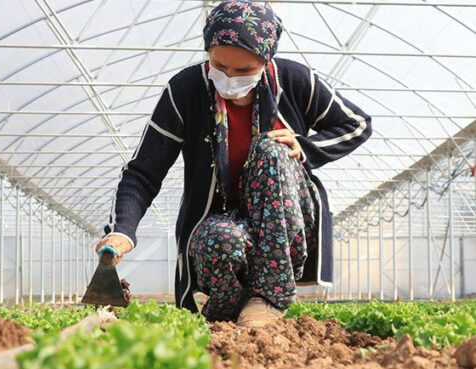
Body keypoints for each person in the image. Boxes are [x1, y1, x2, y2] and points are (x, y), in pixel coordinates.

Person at [96, 1, 371, 326]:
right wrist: (122, 231)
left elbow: (356, 124)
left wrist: (305, 146)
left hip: (287, 222)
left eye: (243, 71)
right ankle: (222, 316)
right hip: (227, 220)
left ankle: (269, 297)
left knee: (271, 151)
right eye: (219, 66)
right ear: (208, 53)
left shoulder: (294, 81)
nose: (228, 79)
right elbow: (143, 172)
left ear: (266, 60)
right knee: (217, 240)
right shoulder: (186, 91)